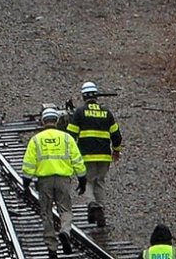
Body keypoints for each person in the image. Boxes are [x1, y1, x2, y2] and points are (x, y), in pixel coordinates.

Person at [22, 108, 87, 259]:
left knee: (46, 213)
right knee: (65, 210)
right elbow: (77, 160)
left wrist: (26, 183)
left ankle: (52, 247)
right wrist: (82, 179)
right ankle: (65, 231)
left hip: (44, 181)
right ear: (57, 121)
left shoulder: (36, 140)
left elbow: (29, 164)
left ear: (43, 121)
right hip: (63, 179)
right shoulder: (66, 138)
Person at [66, 81, 123, 227]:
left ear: (84, 96)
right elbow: (116, 135)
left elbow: (71, 135)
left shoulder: (79, 113)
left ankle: (92, 203)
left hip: (86, 155)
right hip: (104, 156)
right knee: (100, 182)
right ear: (96, 96)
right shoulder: (107, 113)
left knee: (87, 181)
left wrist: (69, 154)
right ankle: (101, 210)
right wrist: (116, 150)